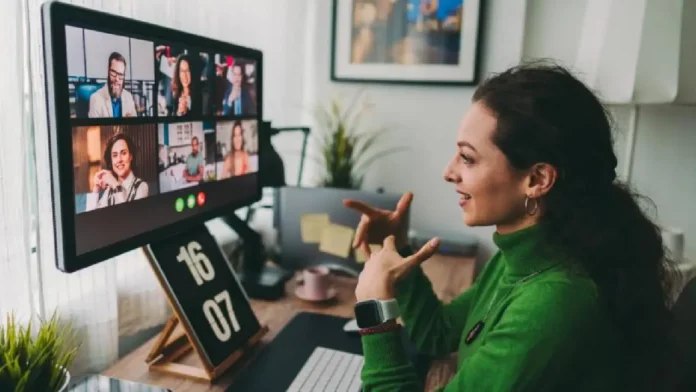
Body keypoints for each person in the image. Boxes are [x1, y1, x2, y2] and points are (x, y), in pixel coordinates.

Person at [344, 62, 681, 391]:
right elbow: (438, 332)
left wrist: (375, 313)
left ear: (537, 179)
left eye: (468, 158)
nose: (449, 172)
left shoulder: (554, 304)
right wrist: (399, 245)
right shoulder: (524, 256)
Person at [86, 133, 148, 210]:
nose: (119, 159)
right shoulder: (109, 191)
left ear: (130, 156)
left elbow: (128, 217)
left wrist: (115, 184)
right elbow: (91, 218)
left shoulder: (141, 186)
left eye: (124, 153)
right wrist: (96, 188)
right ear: (111, 161)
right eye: (115, 155)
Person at [88, 52, 137, 118]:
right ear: (108, 70)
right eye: (113, 72)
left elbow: (135, 126)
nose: (117, 79)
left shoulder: (128, 97)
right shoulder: (96, 99)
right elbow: (94, 128)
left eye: (120, 75)